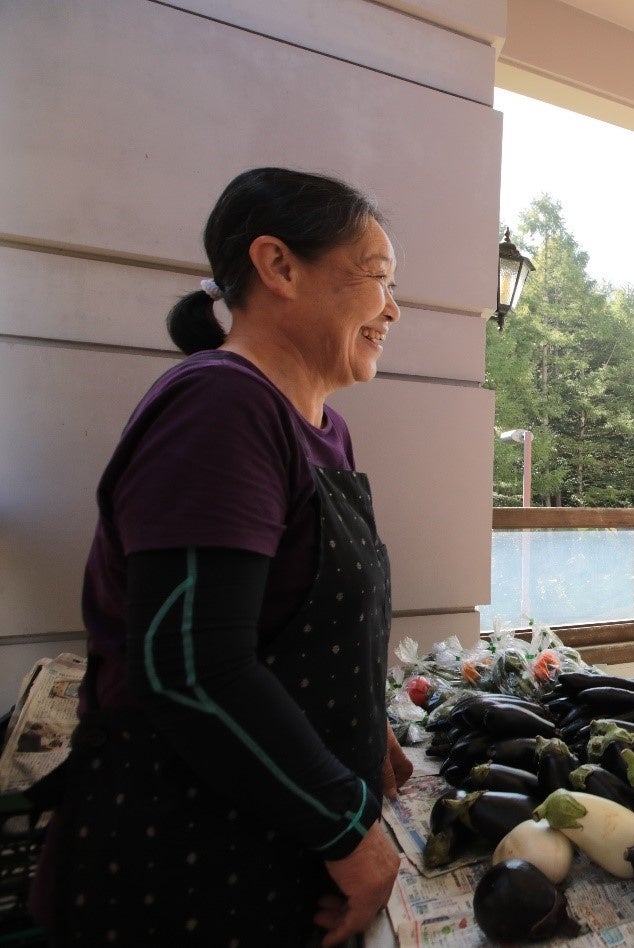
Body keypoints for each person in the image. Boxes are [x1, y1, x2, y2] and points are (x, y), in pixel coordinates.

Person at [32, 167, 412, 946]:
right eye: (377, 278)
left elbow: (298, 625)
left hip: (277, 837)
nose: (393, 309)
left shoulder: (325, 431)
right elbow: (193, 667)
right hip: (186, 859)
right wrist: (350, 834)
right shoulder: (220, 406)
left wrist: (366, 726)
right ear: (278, 266)